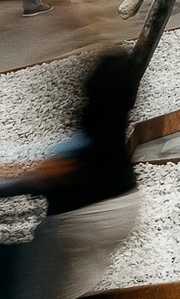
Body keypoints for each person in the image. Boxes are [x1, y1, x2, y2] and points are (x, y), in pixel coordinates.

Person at [0, 48, 141, 299]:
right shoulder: (109, 128)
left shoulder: (89, 136)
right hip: (125, 204)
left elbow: (55, 172)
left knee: (28, 283)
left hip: (84, 216)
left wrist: (13, 182)